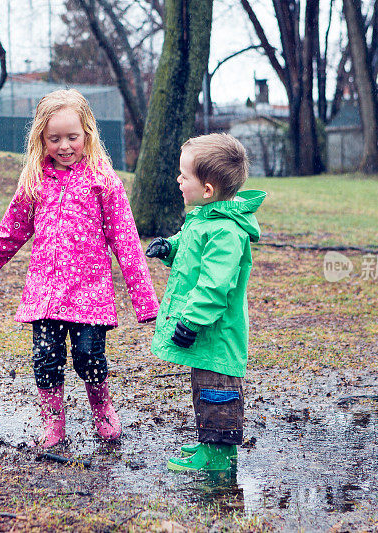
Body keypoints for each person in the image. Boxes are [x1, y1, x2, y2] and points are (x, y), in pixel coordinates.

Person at [0, 89, 159, 447]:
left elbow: (127, 244)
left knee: (88, 356)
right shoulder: (35, 182)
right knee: (46, 359)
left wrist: (144, 301)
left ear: (88, 134)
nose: (65, 146)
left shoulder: (104, 182)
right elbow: (10, 232)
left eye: (72, 137)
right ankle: (52, 422)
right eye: (54, 139)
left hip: (90, 296)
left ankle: (102, 408)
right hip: (45, 296)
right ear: (41, 138)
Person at [146, 133, 265, 471]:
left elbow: (215, 286)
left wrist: (191, 321)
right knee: (204, 385)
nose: (179, 180)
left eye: (185, 175)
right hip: (207, 334)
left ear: (208, 190)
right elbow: (190, 244)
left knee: (218, 391)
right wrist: (170, 247)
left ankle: (219, 454)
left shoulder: (226, 232)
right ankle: (209, 443)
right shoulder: (206, 218)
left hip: (216, 333)